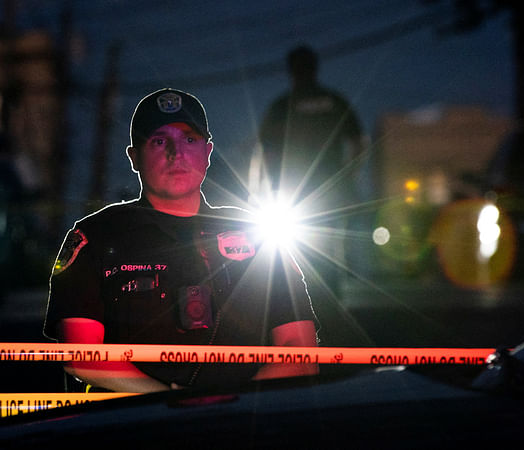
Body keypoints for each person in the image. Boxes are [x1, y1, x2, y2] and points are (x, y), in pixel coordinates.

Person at [43, 88, 318, 393]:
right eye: (159, 141)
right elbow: (84, 357)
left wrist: (230, 409)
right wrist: (171, 406)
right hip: (135, 428)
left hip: (243, 429)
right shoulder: (96, 237)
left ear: (208, 152)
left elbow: (300, 352)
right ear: (134, 157)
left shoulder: (259, 235)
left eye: (189, 139)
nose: (176, 153)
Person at [254, 45, 366, 300]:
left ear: (290, 70)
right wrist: (349, 175)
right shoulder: (335, 101)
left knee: (294, 248)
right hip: (330, 188)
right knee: (328, 246)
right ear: (316, 68)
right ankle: (330, 302)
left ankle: (301, 303)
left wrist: (268, 187)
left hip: (294, 190)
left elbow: (266, 151)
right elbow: (359, 141)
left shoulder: (282, 106)